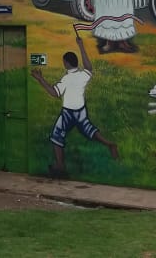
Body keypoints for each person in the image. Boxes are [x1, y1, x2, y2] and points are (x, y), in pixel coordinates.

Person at [31, 35, 119, 178]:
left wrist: (40, 79)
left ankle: (60, 166)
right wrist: (81, 46)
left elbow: (54, 93)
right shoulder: (82, 75)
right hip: (81, 111)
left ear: (66, 63)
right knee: (89, 129)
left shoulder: (67, 78)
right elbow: (89, 67)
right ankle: (109, 144)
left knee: (57, 135)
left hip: (68, 113)